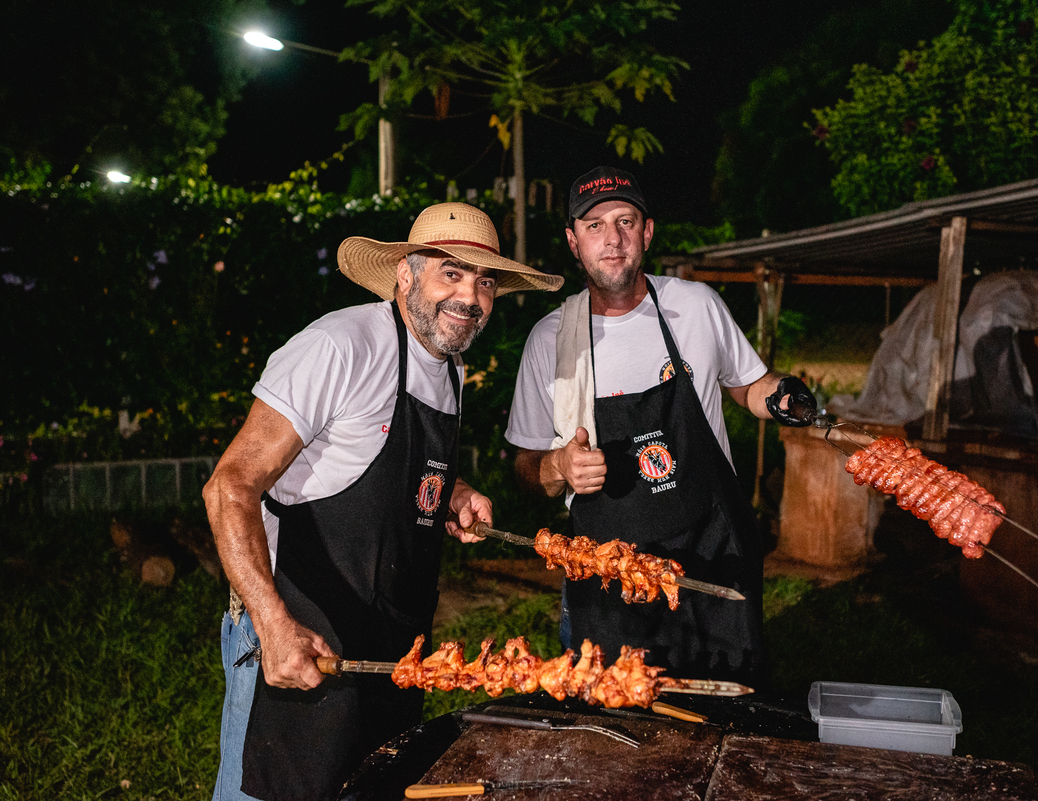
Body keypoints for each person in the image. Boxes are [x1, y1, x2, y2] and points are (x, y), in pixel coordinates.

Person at [203, 202, 563, 801]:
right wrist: (272, 624)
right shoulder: (340, 346)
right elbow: (230, 484)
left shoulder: (447, 370)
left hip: (389, 642)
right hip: (298, 626)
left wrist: (454, 492)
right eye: (451, 273)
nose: (470, 296)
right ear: (405, 274)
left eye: (485, 281)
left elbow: (381, 465)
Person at [506, 167, 817, 683]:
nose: (612, 239)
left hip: (714, 551)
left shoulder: (694, 307)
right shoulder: (551, 340)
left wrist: (784, 397)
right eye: (594, 226)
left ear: (647, 231)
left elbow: (749, 387)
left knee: (728, 715)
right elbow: (524, 467)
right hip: (610, 575)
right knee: (612, 731)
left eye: (625, 221)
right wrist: (558, 465)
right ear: (572, 241)